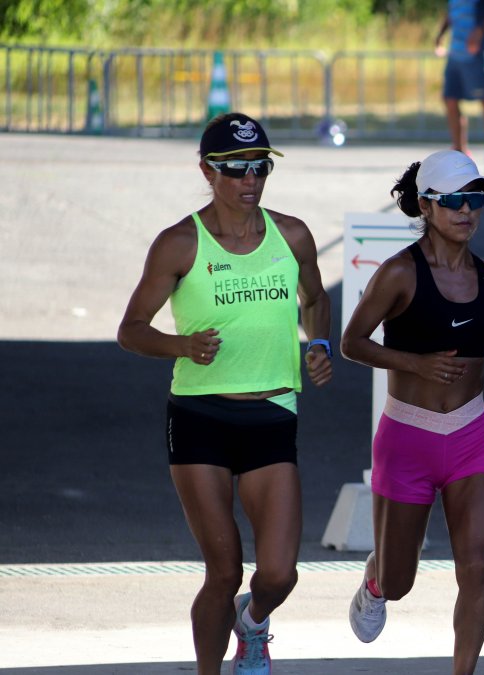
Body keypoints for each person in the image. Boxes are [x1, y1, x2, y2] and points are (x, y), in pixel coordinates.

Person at [116, 112, 333, 675]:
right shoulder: (179, 243)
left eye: (260, 166)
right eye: (235, 169)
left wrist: (320, 343)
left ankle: (253, 622)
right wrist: (181, 346)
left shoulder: (292, 235)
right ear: (207, 171)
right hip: (200, 416)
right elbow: (131, 330)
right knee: (224, 570)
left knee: (279, 573)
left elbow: (315, 298)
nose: (250, 179)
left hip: (273, 412)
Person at [342, 149, 484, 675]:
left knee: (477, 567)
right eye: (453, 201)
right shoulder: (399, 273)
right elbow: (352, 342)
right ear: (425, 205)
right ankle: (376, 579)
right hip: (408, 435)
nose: (466, 211)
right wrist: (415, 363)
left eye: (475, 200)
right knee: (399, 581)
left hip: (471, 433)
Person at [433, 0, 484, 171]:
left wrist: (480, 30)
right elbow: (453, 12)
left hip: (479, 54)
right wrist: (441, 33)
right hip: (455, 54)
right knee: (450, 100)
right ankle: (460, 152)